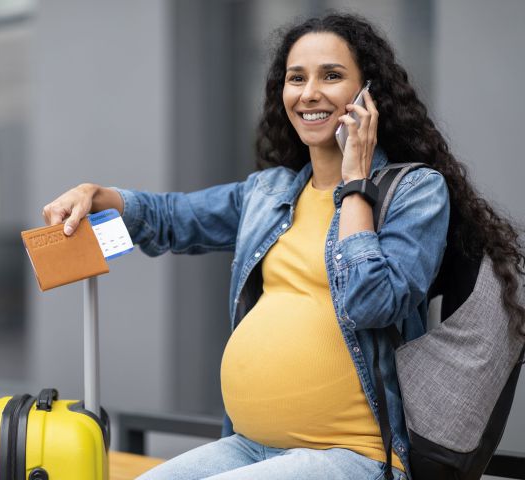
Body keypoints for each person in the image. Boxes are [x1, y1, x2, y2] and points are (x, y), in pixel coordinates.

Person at [41, 13, 525, 480]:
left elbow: (372, 303)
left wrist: (356, 185)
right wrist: (100, 196)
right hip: (250, 445)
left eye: (331, 75)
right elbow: (174, 218)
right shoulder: (270, 192)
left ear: (368, 95)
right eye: (296, 78)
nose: (309, 93)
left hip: (356, 454)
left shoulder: (413, 191)